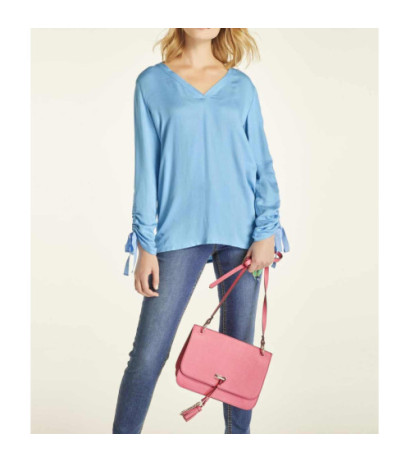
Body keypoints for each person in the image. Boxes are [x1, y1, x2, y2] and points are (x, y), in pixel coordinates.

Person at [112, 28, 290, 434]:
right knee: (147, 356)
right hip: (178, 232)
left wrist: (267, 231)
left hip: (243, 233)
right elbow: (146, 170)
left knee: (239, 355)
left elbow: (262, 163)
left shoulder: (241, 87)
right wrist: (145, 245)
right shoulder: (152, 84)